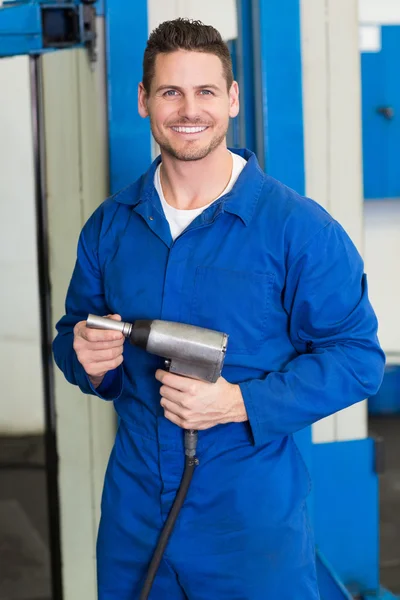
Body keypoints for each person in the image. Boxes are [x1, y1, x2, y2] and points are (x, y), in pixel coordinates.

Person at [53, 18, 385, 600]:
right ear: (144, 101)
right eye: (170, 91)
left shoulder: (296, 229)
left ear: (232, 99)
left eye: (206, 91)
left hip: (248, 523)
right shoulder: (111, 227)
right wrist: (86, 356)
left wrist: (238, 401)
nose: (189, 109)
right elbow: (73, 335)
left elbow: (358, 358)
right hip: (135, 511)